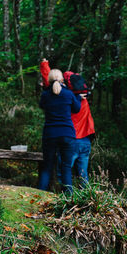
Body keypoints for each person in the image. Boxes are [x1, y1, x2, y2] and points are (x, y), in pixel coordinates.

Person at [40, 59, 95, 188]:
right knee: (82, 175)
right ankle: (84, 202)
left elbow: (50, 81)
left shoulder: (61, 96)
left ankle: (59, 198)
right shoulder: (81, 99)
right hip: (85, 140)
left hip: (68, 137)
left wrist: (44, 65)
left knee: (60, 170)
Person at [39, 68, 82, 193]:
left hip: (50, 134)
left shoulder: (45, 95)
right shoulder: (69, 94)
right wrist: (78, 97)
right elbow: (76, 109)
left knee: (47, 167)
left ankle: (38, 197)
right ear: (62, 79)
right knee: (66, 167)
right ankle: (68, 197)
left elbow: (42, 105)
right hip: (67, 134)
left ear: (49, 80)